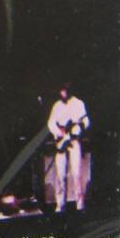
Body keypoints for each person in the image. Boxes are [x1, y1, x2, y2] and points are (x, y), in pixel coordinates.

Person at [46, 83, 90, 212]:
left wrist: (76, 131)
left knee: (76, 174)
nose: (63, 93)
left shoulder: (78, 103)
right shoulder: (57, 105)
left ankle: (80, 205)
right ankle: (60, 205)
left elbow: (85, 121)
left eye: (65, 90)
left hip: (74, 141)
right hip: (61, 142)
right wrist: (60, 133)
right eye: (61, 91)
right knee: (60, 175)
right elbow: (51, 123)